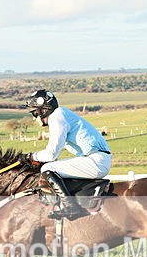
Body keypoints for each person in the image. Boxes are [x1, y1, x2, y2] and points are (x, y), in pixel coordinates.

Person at [25, 89, 112, 220]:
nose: (34, 117)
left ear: (43, 110)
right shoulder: (62, 114)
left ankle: (71, 207)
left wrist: (31, 157)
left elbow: (51, 154)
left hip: (96, 161)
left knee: (47, 168)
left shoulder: (56, 117)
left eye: (34, 113)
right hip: (97, 159)